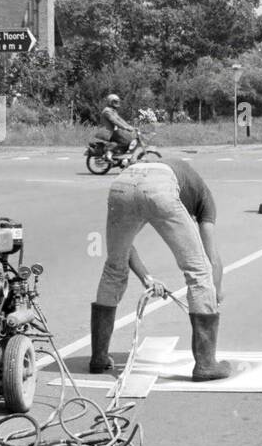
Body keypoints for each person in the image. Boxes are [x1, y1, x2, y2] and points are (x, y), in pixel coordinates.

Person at [89, 152, 231, 381]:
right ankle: (206, 364)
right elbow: (210, 257)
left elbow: (126, 249)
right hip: (158, 187)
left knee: (114, 268)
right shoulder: (205, 200)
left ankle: (99, 357)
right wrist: (215, 293)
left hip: (123, 182)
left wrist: (147, 278)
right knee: (198, 271)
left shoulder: (179, 175)